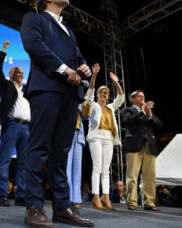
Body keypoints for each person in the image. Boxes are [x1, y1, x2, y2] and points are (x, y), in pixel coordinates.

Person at [20, 0, 94, 227]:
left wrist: (82, 66)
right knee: (39, 147)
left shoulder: (70, 32)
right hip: (46, 88)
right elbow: (34, 46)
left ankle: (62, 207)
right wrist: (64, 69)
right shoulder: (35, 19)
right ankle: (34, 206)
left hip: (69, 94)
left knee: (61, 152)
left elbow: (78, 58)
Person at [0, 40, 30, 207]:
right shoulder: (6, 86)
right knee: (5, 160)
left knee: (23, 163)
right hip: (12, 125)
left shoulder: (27, 90)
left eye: (22, 72)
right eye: (18, 71)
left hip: (27, 128)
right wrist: (3, 51)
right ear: (11, 75)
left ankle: (21, 195)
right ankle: (2, 195)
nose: (21, 73)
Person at [86, 63, 125, 210]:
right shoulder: (93, 105)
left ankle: (106, 197)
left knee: (106, 169)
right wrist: (94, 74)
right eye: (101, 93)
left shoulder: (110, 108)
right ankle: (96, 197)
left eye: (105, 93)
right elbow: (90, 92)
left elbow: (121, 98)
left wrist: (116, 82)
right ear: (98, 95)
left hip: (108, 137)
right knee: (96, 167)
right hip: (96, 137)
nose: (103, 95)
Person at [122, 90, 162, 211]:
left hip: (149, 146)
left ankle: (149, 202)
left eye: (143, 96)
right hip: (133, 145)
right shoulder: (127, 110)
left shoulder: (148, 112)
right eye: (139, 96)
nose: (142, 98)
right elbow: (128, 121)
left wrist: (149, 114)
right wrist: (143, 112)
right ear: (132, 99)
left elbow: (159, 125)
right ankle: (132, 202)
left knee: (150, 176)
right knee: (132, 175)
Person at [67, 102, 91, 209]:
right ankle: (67, 197)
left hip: (79, 134)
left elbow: (86, 115)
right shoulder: (65, 95)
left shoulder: (80, 101)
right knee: (66, 168)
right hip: (66, 132)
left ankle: (75, 199)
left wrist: (87, 101)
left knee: (77, 170)